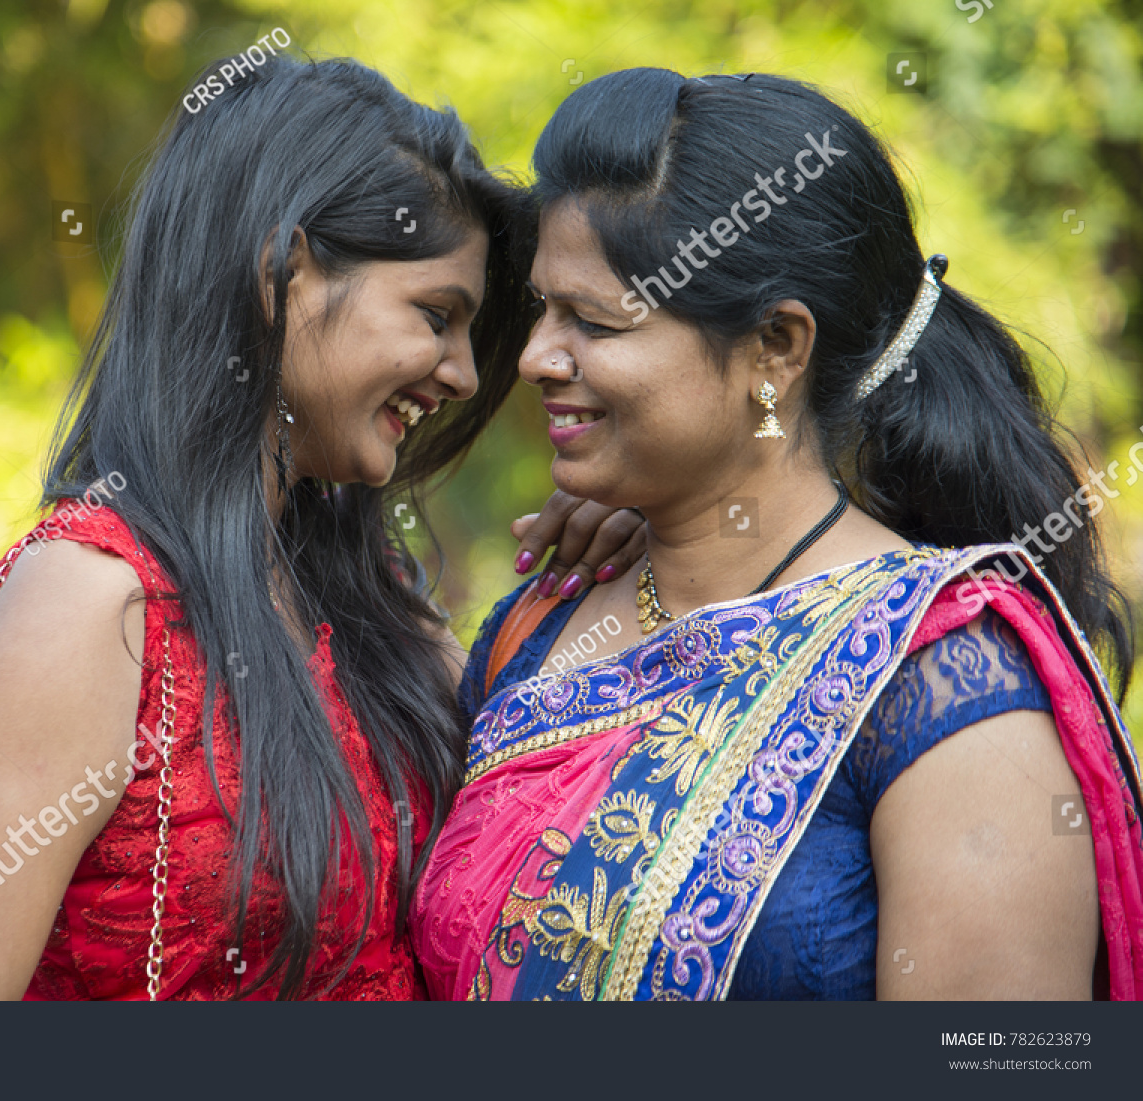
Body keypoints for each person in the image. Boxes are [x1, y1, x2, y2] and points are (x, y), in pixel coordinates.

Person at [0, 55, 642, 1001]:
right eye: (437, 316)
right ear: (286, 273)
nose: (464, 376)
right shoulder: (90, 603)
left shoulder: (373, 606)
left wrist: (642, 547)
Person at [411, 68, 1143, 1001]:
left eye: (594, 321)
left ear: (775, 349)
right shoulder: (539, 627)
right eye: (545, 308)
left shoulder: (946, 679)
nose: (534, 358)